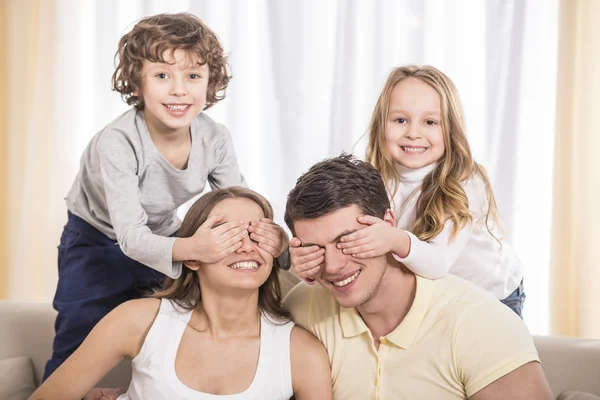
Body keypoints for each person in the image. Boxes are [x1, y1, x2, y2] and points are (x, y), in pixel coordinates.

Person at [45, 13, 289, 380]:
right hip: (95, 240)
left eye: (193, 76)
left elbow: (238, 200)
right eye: (162, 76)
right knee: (78, 332)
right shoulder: (119, 142)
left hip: (160, 233)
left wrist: (274, 238)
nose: (179, 90)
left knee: (186, 315)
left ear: (210, 84)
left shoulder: (214, 138)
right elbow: (130, 237)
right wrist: (194, 248)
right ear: (138, 84)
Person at [283, 155, 552, 399]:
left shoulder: (481, 325)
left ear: (388, 224)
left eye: (348, 241)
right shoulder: (301, 310)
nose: (332, 265)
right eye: (313, 248)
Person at [31, 187, 332, 400]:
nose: (246, 246)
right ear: (191, 256)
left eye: (257, 234)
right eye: (226, 235)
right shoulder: (137, 321)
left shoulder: (302, 353)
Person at [290, 65, 526, 316]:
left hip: (492, 296)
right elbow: (354, 250)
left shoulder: (464, 182)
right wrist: (313, 266)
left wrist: (394, 239)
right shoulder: (374, 177)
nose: (413, 133)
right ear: (382, 124)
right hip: (435, 297)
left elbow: (437, 264)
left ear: (450, 128)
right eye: (400, 120)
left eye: (430, 122)